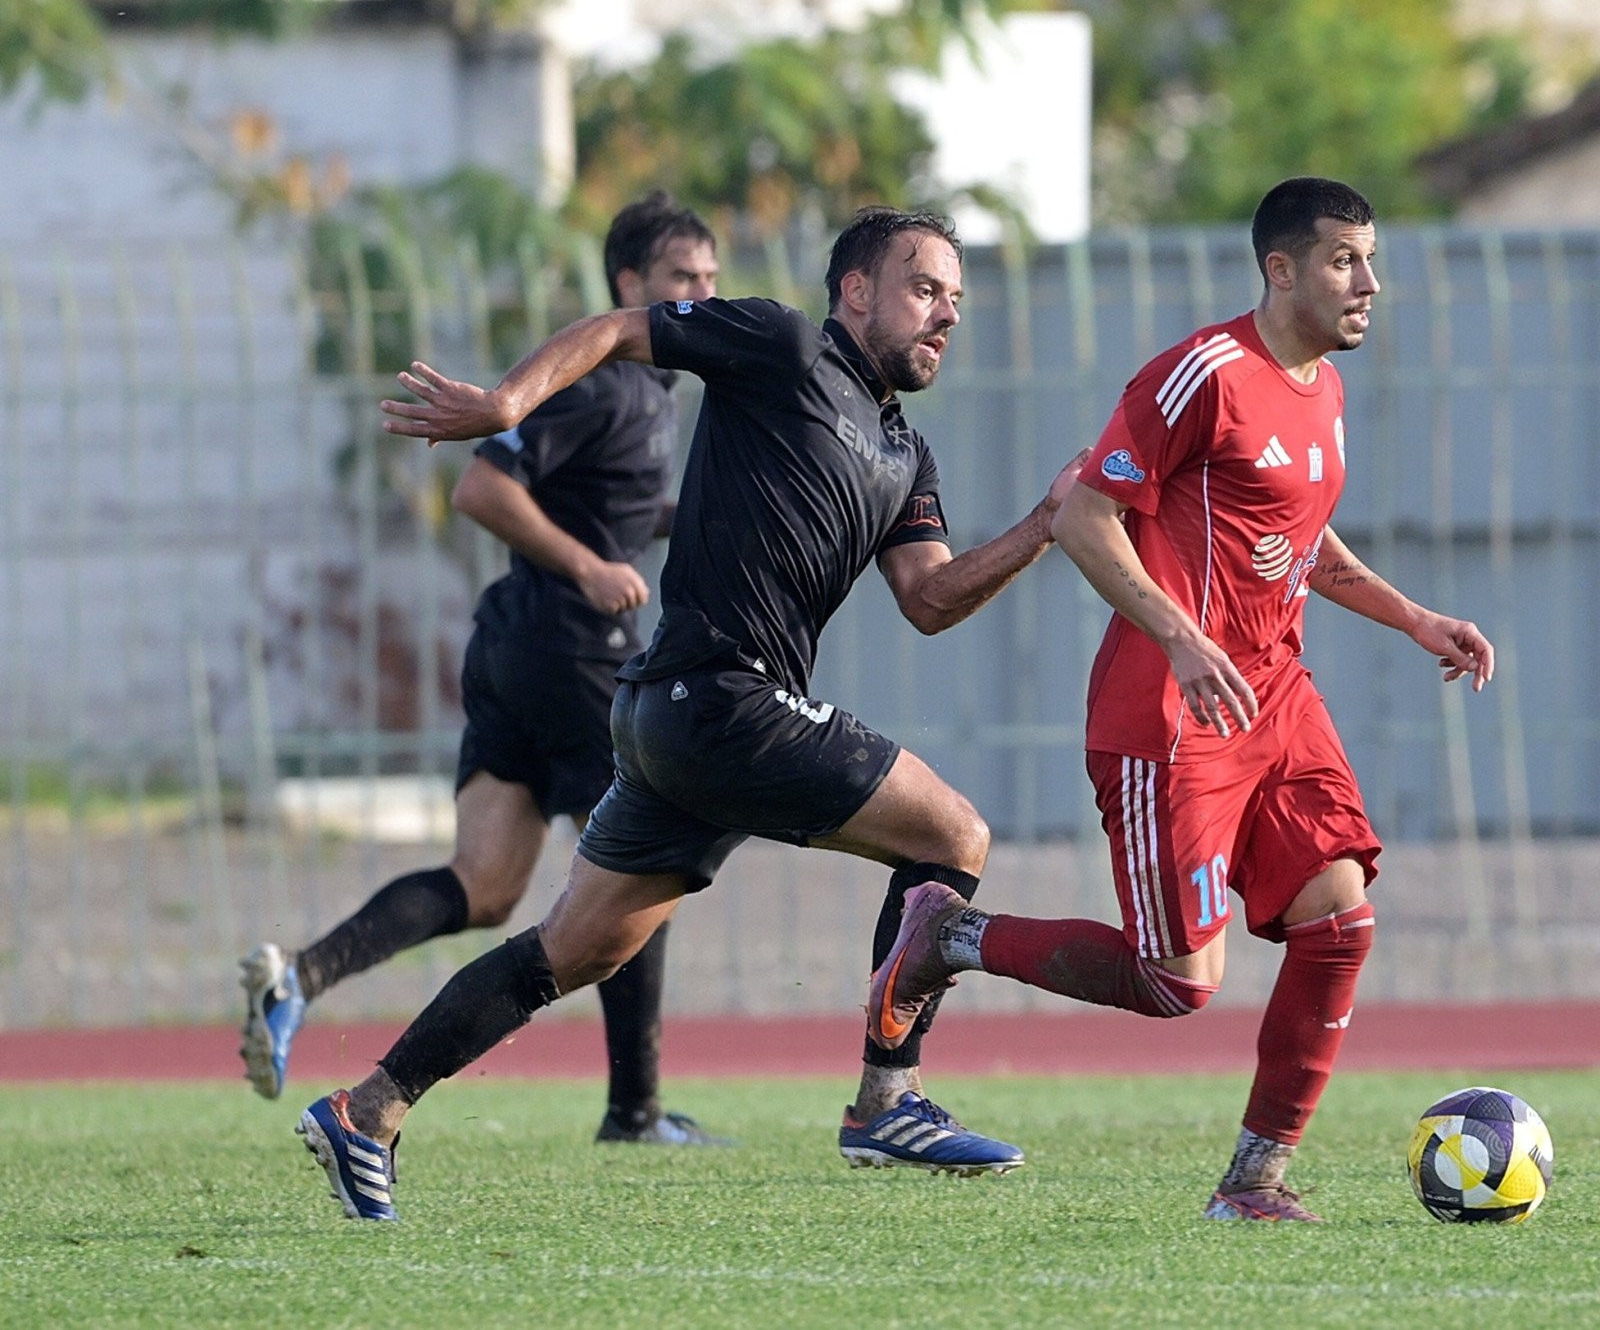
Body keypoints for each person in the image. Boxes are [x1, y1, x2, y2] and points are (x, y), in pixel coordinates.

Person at [294, 205, 1083, 1220]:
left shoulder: (905, 451)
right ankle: (888, 1098)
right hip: (721, 699)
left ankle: (367, 1109)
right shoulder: (785, 346)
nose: (946, 315)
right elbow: (622, 329)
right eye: (924, 288)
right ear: (855, 291)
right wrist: (504, 402)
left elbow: (928, 598)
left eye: (954, 299)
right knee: (954, 834)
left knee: (574, 950)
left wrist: (1044, 523)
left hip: (680, 720)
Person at [867, 177, 1495, 1222]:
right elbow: (1085, 518)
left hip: (1274, 694)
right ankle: (951, 935)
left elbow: (1298, 537)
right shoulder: (1199, 374)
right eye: (1343, 260)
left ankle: (1253, 1182)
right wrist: (1182, 636)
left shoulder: (1323, 392)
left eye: (1371, 260)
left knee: (1340, 922)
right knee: (1175, 982)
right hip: (1169, 713)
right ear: (1280, 269)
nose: (1368, 284)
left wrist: (1413, 617)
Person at [239, 192, 732, 1146]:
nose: (702, 298)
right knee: (644, 866)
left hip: (510, 646)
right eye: (683, 279)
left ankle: (298, 978)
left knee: (486, 882)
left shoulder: (646, 391)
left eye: (712, 279)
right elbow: (482, 489)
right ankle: (635, 1113)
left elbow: (605, 506)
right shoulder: (604, 383)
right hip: (570, 651)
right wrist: (589, 566)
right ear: (629, 282)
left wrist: (686, 524)